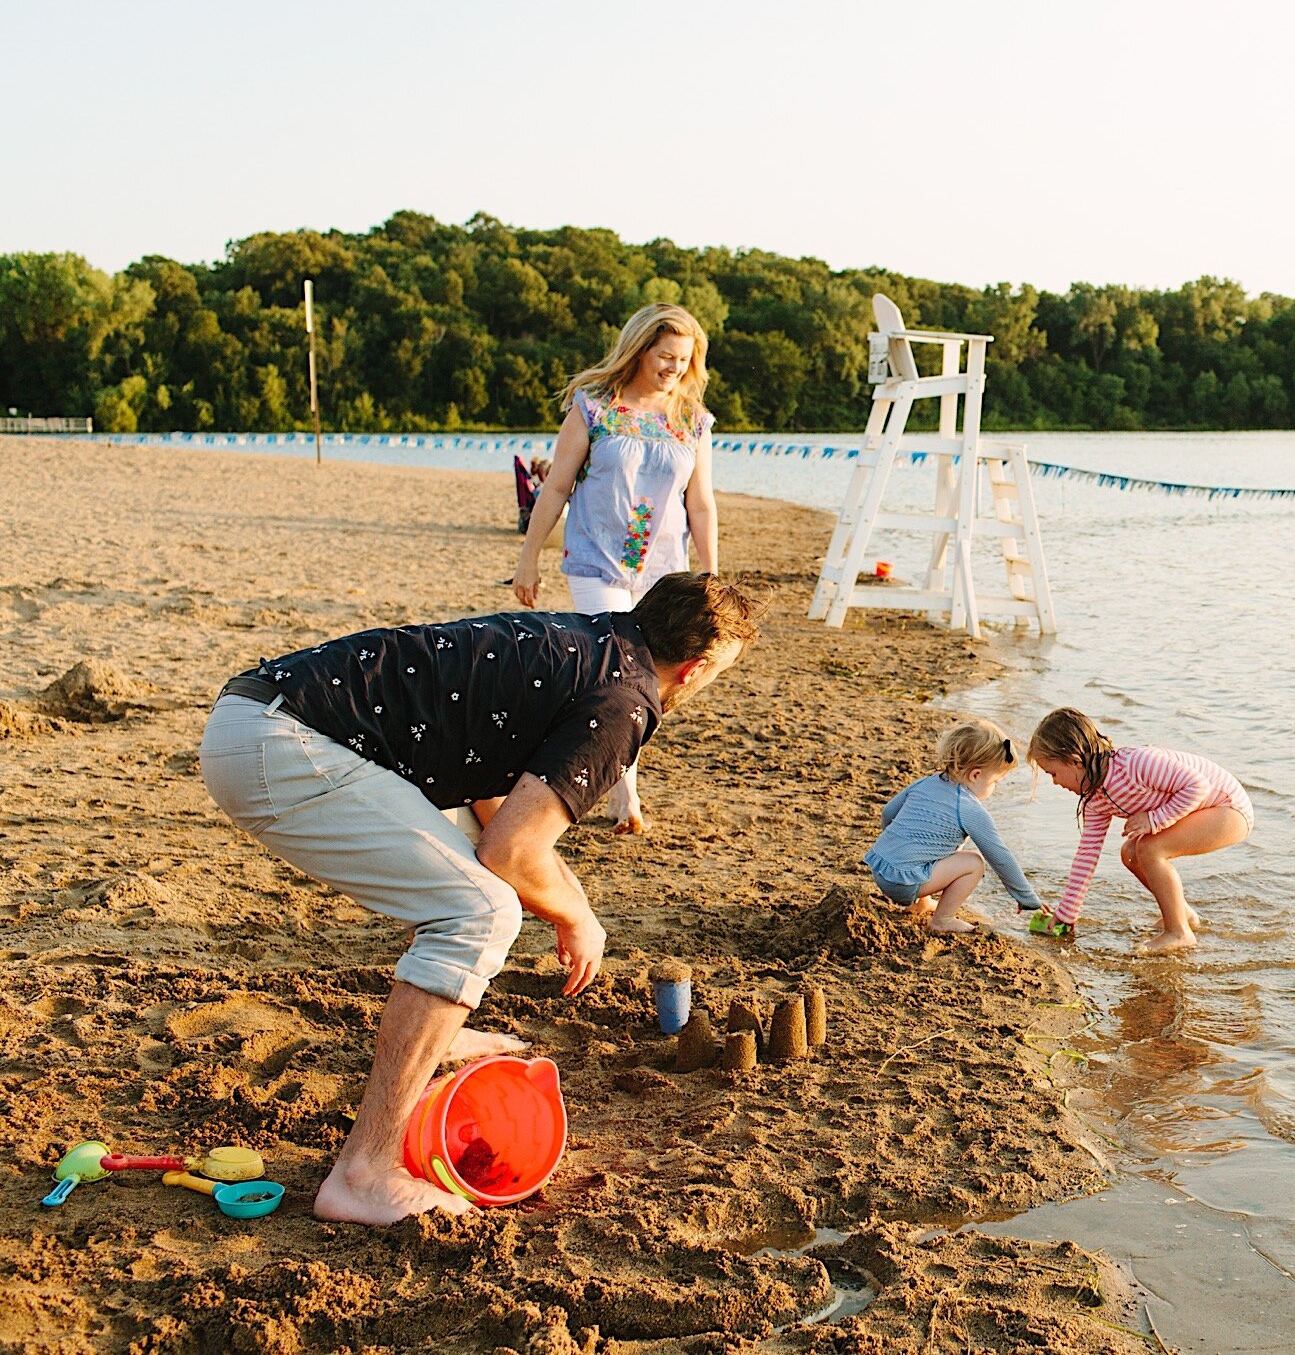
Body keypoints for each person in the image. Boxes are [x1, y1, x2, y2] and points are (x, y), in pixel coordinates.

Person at [197, 573, 760, 1225]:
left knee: (464, 869)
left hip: (260, 714)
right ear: (694, 670)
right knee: (479, 908)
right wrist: (579, 917)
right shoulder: (627, 700)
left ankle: (439, 1032)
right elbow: (511, 852)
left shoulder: (591, 642)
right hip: (283, 745)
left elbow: (495, 813)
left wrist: (571, 900)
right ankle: (364, 1172)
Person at [512, 304, 719, 834]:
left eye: (683, 359)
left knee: (648, 677)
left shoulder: (692, 420)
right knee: (619, 672)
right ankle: (624, 791)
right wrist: (528, 559)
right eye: (665, 356)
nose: (673, 368)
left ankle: (608, 774)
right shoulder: (594, 407)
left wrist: (711, 576)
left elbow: (700, 503)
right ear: (640, 349)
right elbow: (556, 487)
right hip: (596, 562)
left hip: (665, 570)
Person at [1027, 707, 1251, 955]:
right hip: (1202, 810)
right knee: (1130, 852)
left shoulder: (1135, 764)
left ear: (1075, 760)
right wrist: (1066, 915)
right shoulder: (1095, 799)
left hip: (1229, 808)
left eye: (1054, 773)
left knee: (1149, 847)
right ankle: (1182, 915)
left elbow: (1197, 786)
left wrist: (1155, 819)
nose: (1055, 782)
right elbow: (1087, 855)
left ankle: (1179, 933)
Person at [863, 720, 1042, 933]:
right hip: (904, 884)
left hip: (881, 867)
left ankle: (920, 904)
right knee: (974, 862)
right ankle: (942, 920)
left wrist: (899, 848)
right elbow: (1000, 856)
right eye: (995, 782)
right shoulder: (969, 808)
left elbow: (888, 813)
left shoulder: (925, 783)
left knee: (931, 848)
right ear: (975, 775)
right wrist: (1026, 897)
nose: (995, 787)